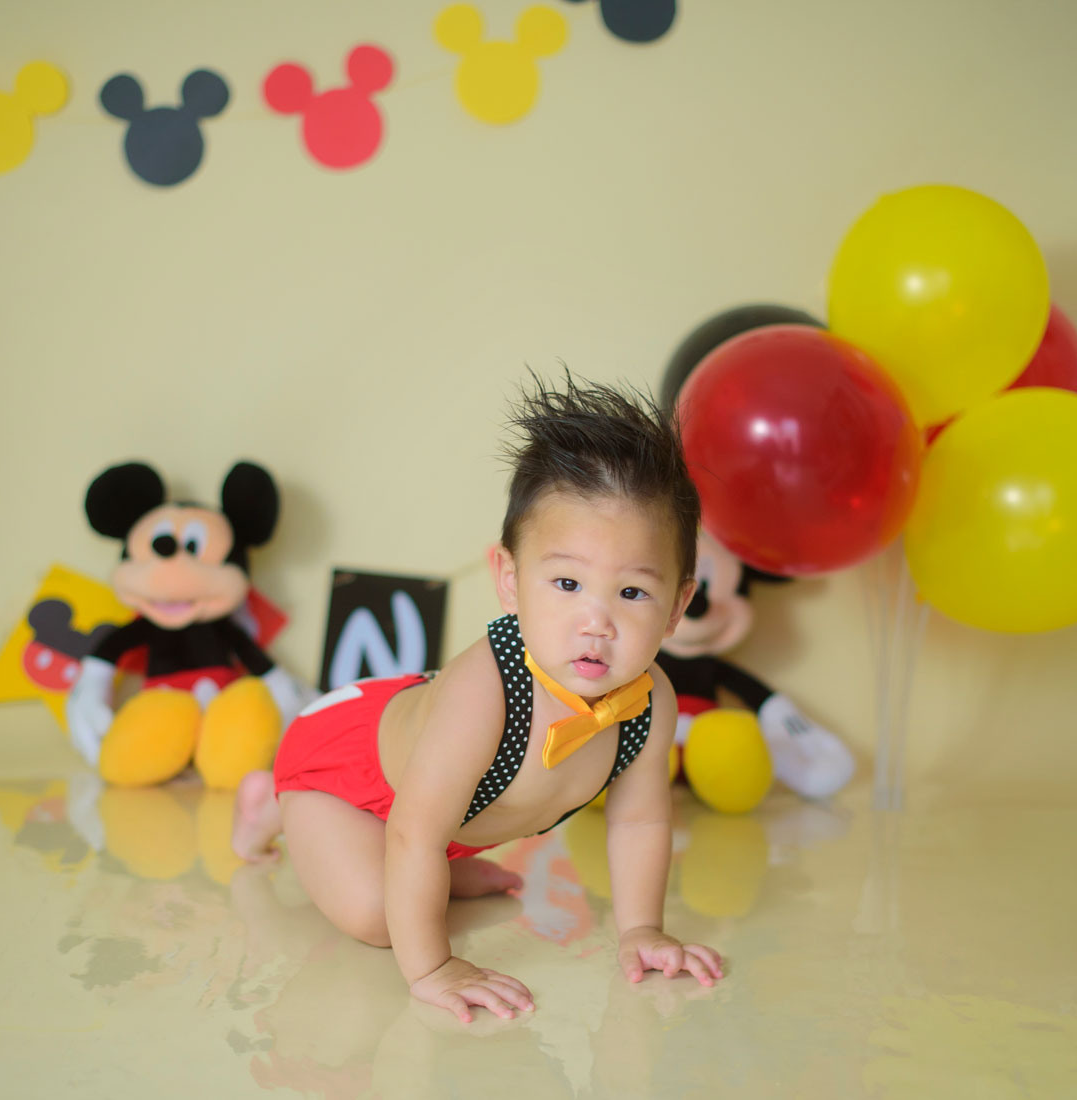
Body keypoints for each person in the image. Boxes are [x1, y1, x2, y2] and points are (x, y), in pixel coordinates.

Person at [232, 372, 723, 1023]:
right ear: (510, 580)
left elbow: (639, 821)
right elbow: (412, 828)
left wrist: (641, 930)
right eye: (567, 582)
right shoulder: (486, 691)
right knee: (379, 917)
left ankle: (435, 871)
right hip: (346, 772)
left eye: (632, 593)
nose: (595, 621)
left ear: (676, 607)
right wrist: (434, 966)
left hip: (431, 808)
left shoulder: (650, 701)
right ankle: (274, 801)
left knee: (423, 852)